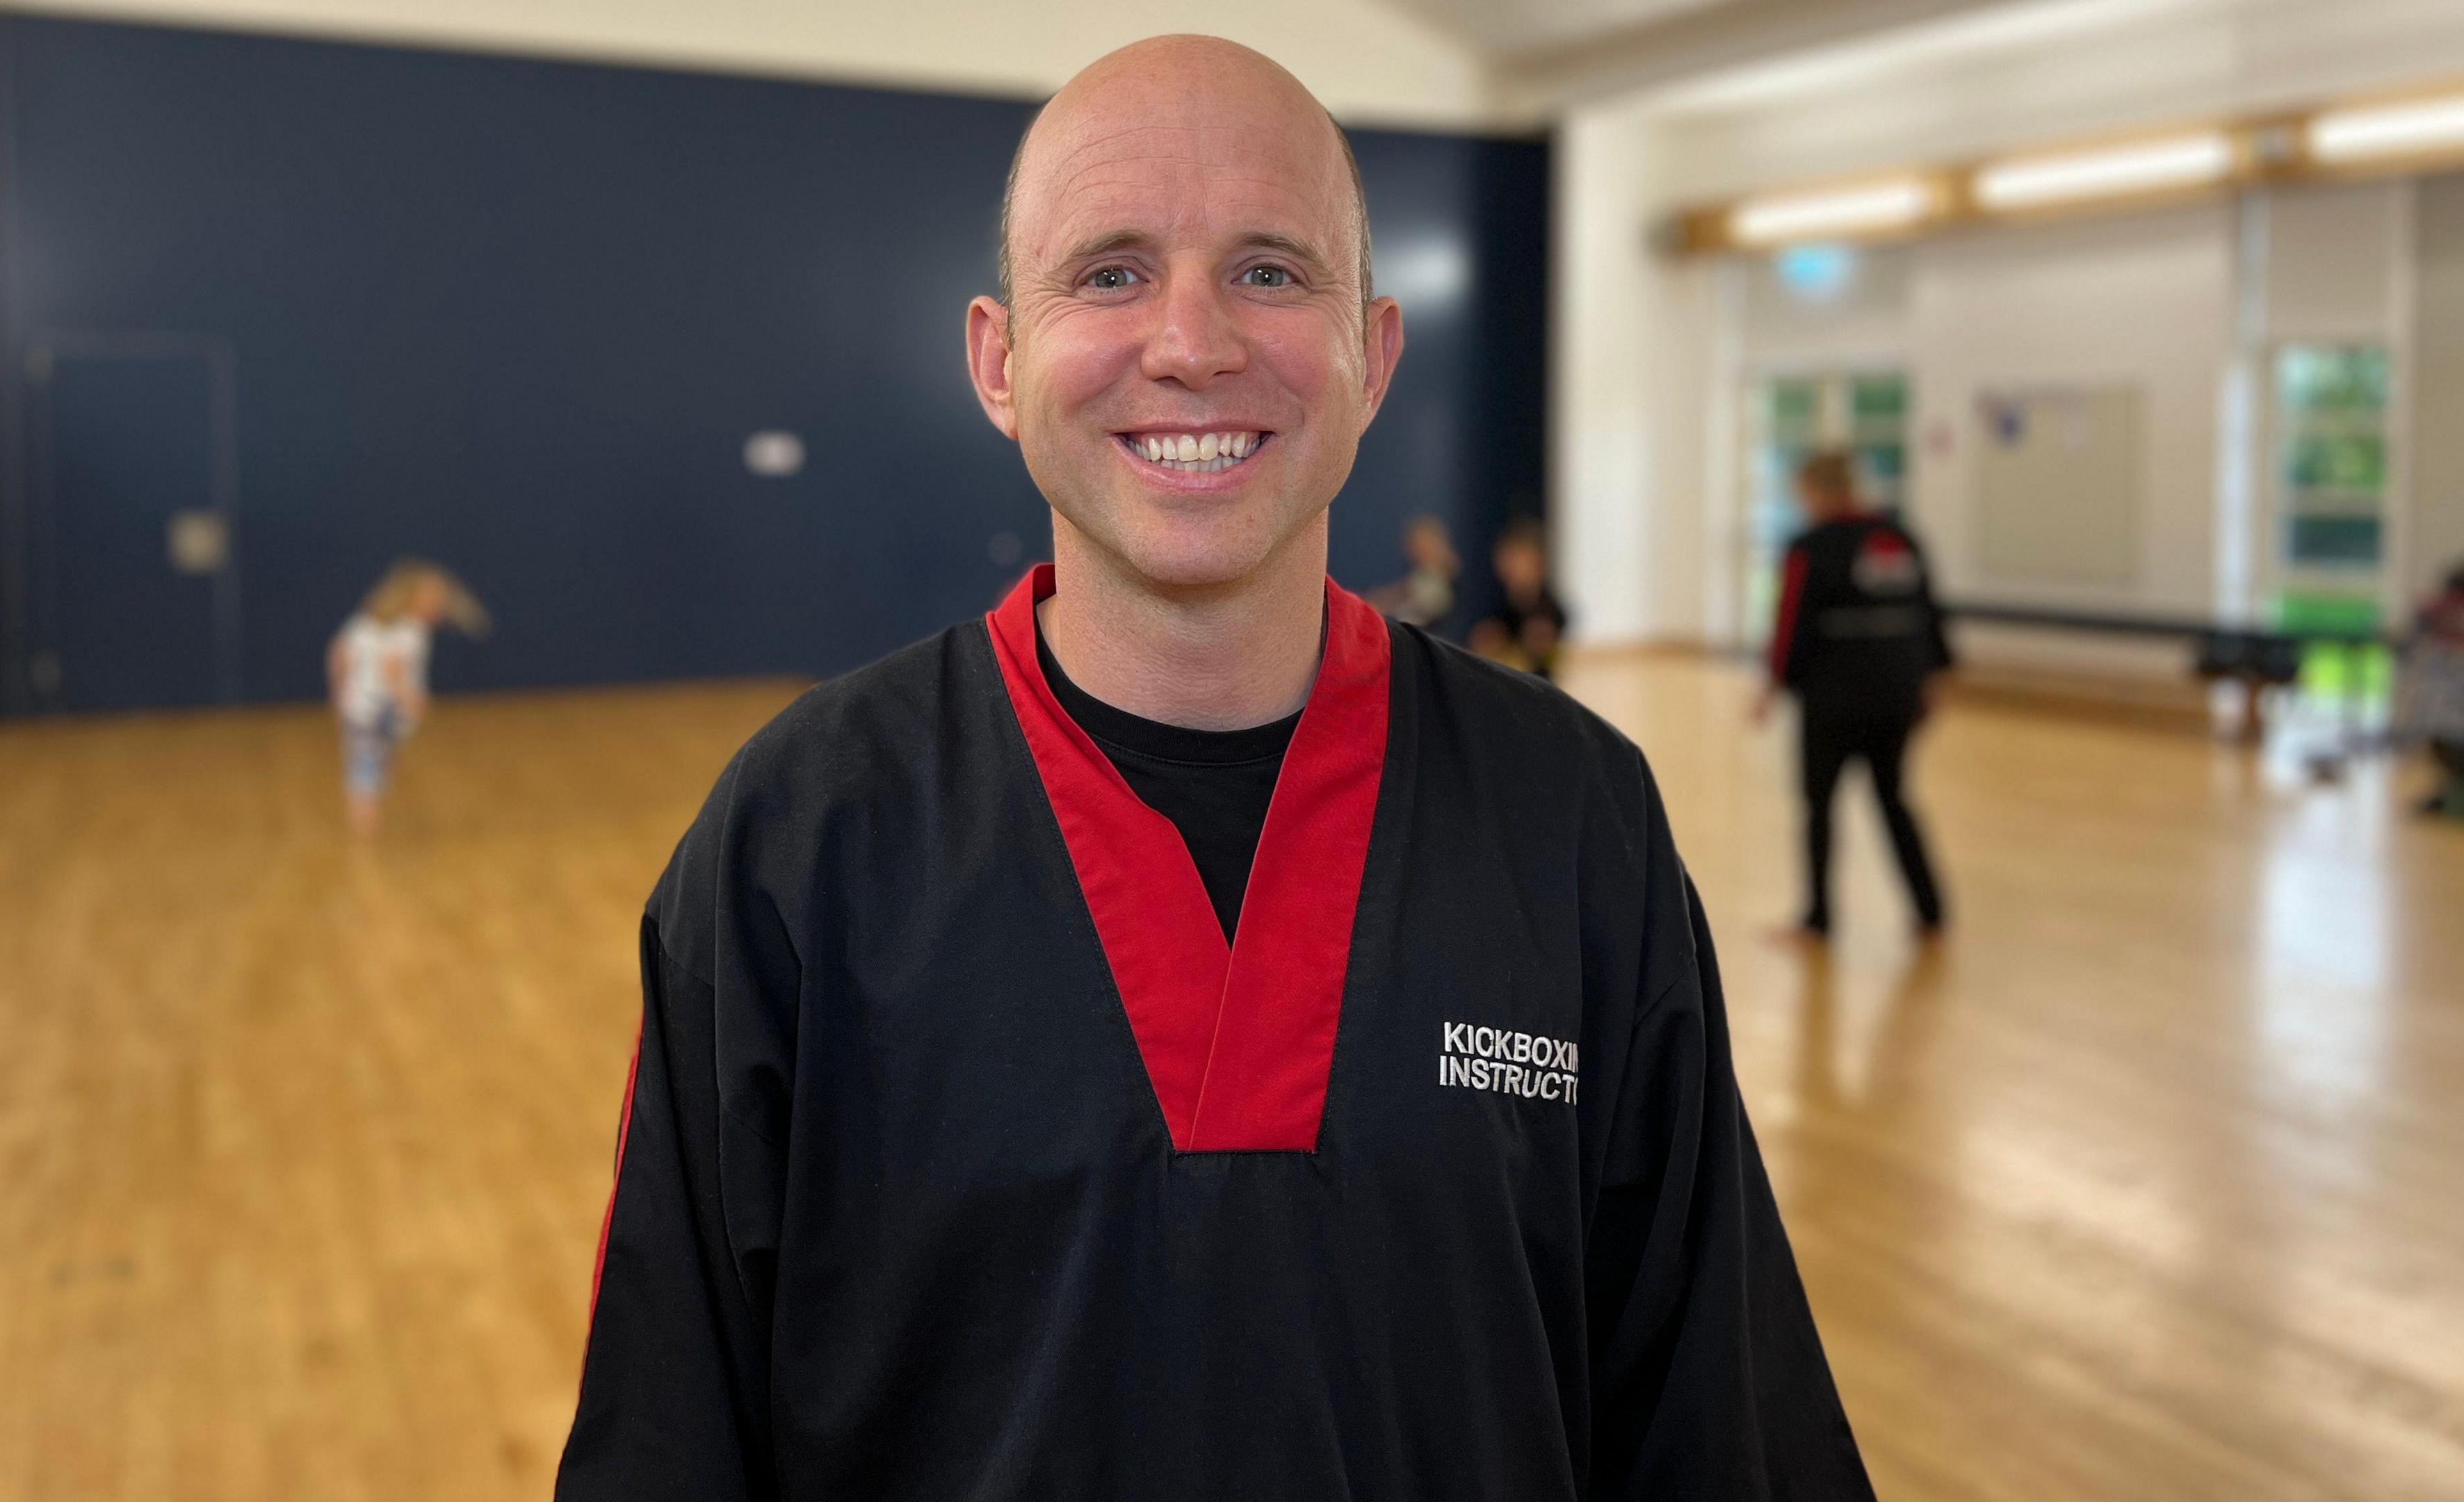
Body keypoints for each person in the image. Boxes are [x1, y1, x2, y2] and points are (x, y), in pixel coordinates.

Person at [558, 35, 1871, 1502]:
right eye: (1110, 272)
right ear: (1000, 362)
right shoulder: (796, 846)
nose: (1192, 343)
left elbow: (1719, 1438)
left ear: (1373, 357)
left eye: (1269, 270)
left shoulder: (1579, 822)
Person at [1752, 450, 1950, 940]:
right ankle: (1931, 910)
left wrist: (1772, 686)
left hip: (1832, 701)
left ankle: (1819, 919)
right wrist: (1932, 680)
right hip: (1897, 696)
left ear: (1818, 492)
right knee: (1893, 798)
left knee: (1819, 806)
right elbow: (1930, 614)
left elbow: (1789, 622)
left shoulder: (1811, 546)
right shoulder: (1900, 538)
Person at [324, 558, 488, 835]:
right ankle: (365, 824)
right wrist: (411, 699)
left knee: (366, 760)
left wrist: (339, 693)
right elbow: (392, 670)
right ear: (409, 596)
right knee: (369, 764)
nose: (437, 603)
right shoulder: (411, 632)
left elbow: (338, 654)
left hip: (357, 707)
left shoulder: (364, 622)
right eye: (431, 597)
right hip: (379, 710)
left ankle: (363, 817)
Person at [1467, 515, 1566, 677]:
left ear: (1537, 562)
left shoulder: (1550, 613)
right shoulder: (1501, 614)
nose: (1510, 567)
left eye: (1518, 558)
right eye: (1507, 558)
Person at [1363, 512, 1459, 627]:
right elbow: (1402, 591)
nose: (1414, 549)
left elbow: (1424, 604)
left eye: (1422, 543)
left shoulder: (1442, 577)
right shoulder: (1416, 572)